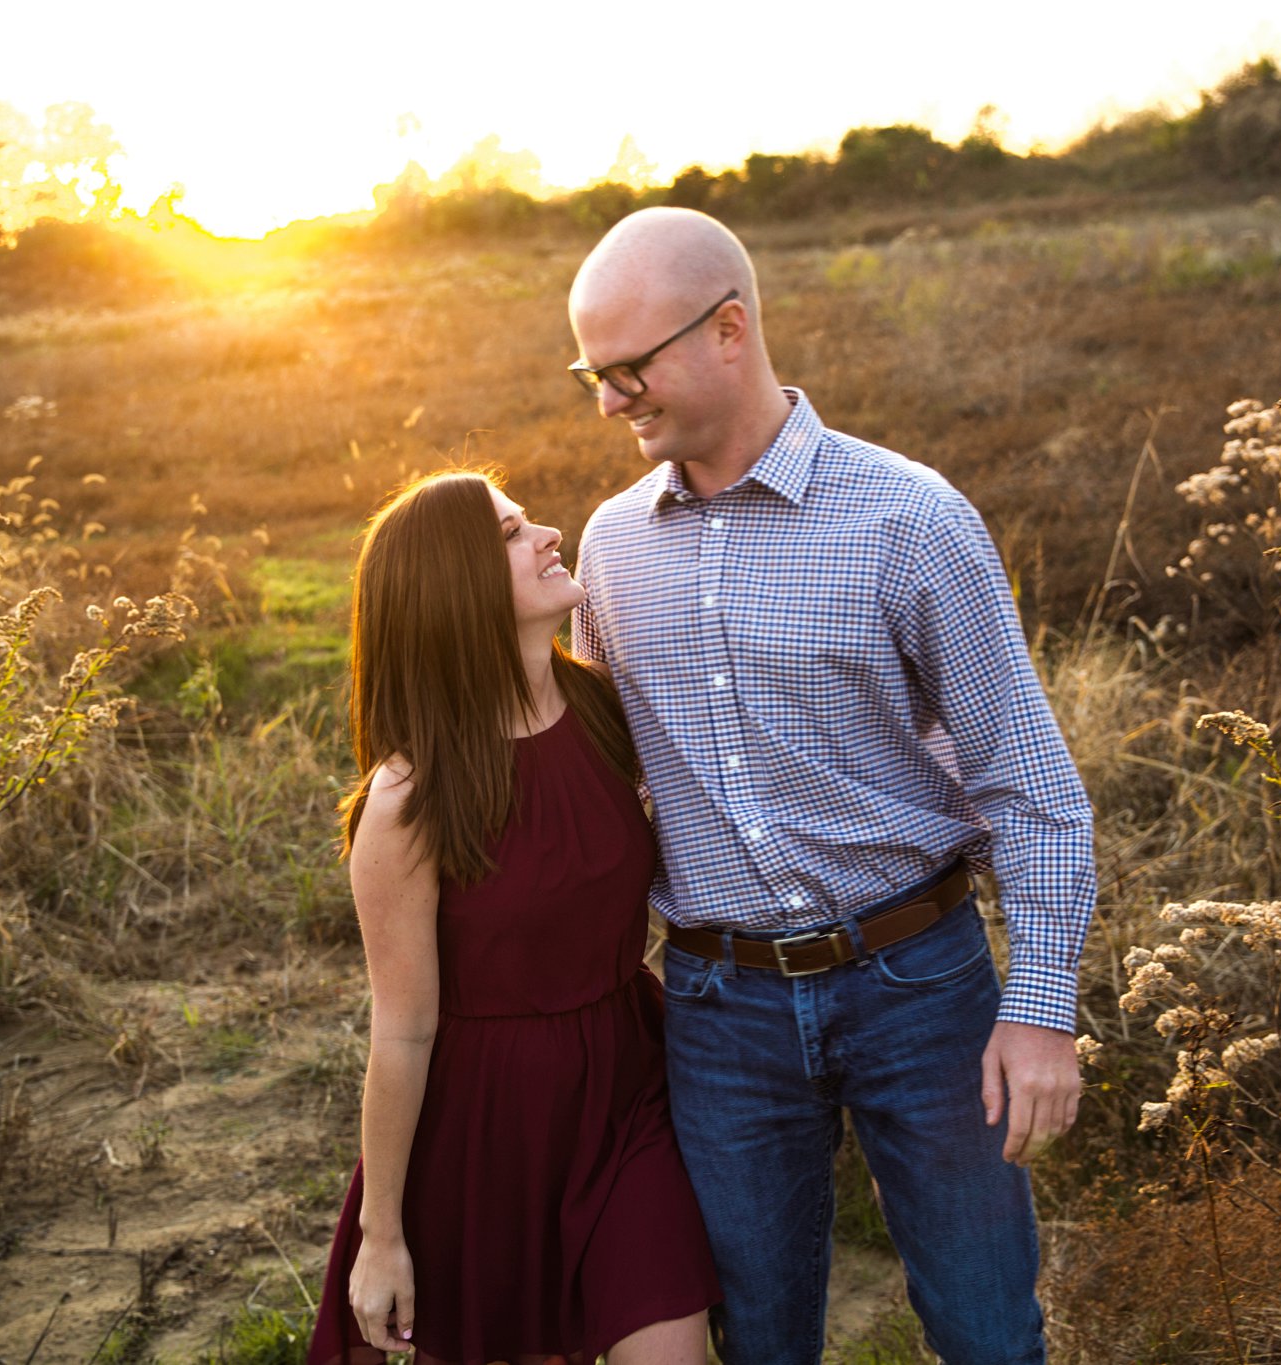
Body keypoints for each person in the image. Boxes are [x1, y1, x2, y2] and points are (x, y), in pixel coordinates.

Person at [566, 207, 1096, 1365]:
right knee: (756, 1338)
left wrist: (1041, 1007)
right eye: (589, 376)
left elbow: (1029, 783)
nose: (608, 401)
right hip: (717, 1008)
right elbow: (590, 780)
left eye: (626, 369)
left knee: (985, 1327)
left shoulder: (909, 519)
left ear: (727, 330)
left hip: (922, 987)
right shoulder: (607, 549)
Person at [306, 469, 722, 1365]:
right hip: (489, 1128)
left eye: (529, 518)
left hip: (627, 1088)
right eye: (508, 533)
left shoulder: (608, 710)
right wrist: (383, 1233)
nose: (547, 534)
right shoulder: (409, 799)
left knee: (673, 1347)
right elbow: (404, 1030)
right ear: (453, 588)